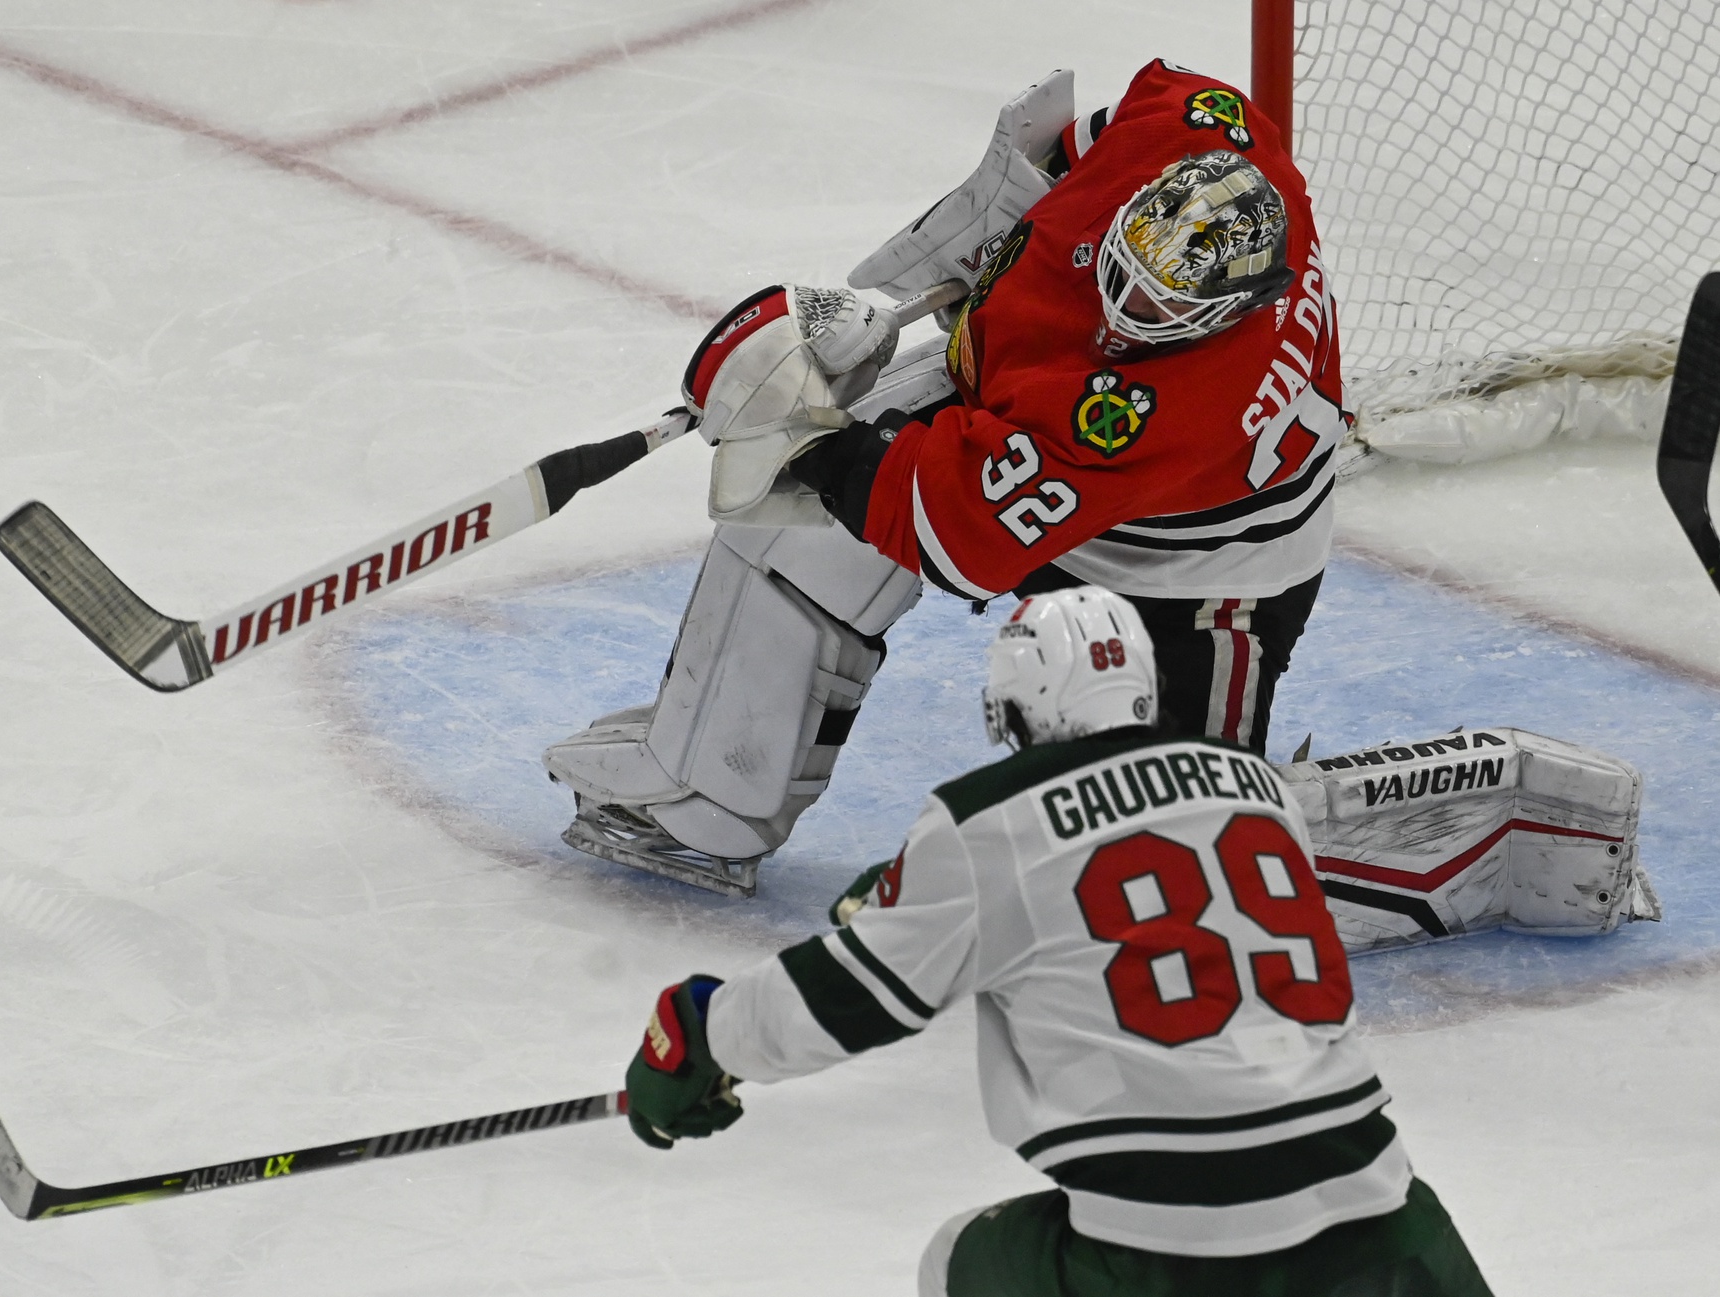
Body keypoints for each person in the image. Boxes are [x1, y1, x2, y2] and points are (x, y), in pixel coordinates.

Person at [545, 59, 1349, 893]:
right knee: (794, 534)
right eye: (1127, 269)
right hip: (1063, 435)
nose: (1123, 309)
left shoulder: (1159, 412)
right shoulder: (1205, 134)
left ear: (1229, 311)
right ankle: (712, 796)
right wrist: (1013, 207)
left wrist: (807, 436)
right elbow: (1128, 118)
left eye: (1158, 311)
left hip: (1207, 571)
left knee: (1167, 871)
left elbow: (953, 529)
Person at [622, 588, 1492, 1297]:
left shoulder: (984, 824)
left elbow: (844, 1000)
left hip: (1170, 1256)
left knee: (955, 1262)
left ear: (1013, 711)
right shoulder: (1260, 790)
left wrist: (702, 1030)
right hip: (1389, 1220)